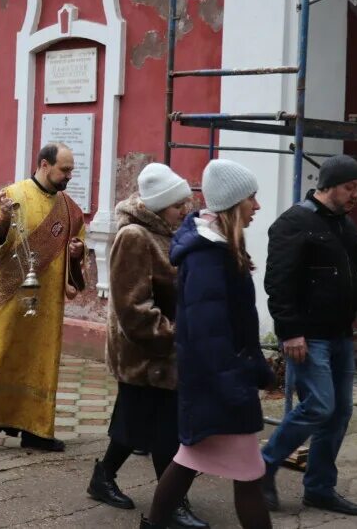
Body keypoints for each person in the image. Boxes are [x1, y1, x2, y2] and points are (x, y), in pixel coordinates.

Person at [143, 159, 274, 529]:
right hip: (219, 387)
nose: (257, 206)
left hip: (215, 385)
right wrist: (237, 385)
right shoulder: (207, 256)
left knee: (188, 462)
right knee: (248, 477)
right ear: (234, 204)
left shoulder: (216, 250)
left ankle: (154, 525)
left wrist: (255, 372)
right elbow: (206, 334)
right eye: (252, 198)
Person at [261, 155, 357, 517]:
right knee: (319, 405)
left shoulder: (346, 227)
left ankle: (319, 488)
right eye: (350, 188)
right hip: (308, 339)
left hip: (340, 338)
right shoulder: (293, 223)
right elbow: (278, 284)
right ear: (328, 185)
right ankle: (262, 468)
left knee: (339, 413)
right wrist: (290, 332)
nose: (356, 195)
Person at [88, 164, 207, 528]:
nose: (184, 211)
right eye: (177, 206)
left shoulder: (167, 232)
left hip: (164, 349)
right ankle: (171, 505)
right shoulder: (136, 236)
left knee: (135, 423)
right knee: (162, 430)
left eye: (186, 203)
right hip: (148, 350)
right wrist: (173, 335)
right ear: (157, 207)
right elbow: (133, 307)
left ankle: (103, 476)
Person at [0, 142, 86, 453]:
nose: (68, 176)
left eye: (70, 170)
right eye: (64, 170)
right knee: (0, 355)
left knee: (40, 361)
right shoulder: (13, 195)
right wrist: (1, 221)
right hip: (9, 296)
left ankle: (37, 429)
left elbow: (77, 247)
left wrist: (76, 253)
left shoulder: (70, 209)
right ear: (44, 164)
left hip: (47, 304)